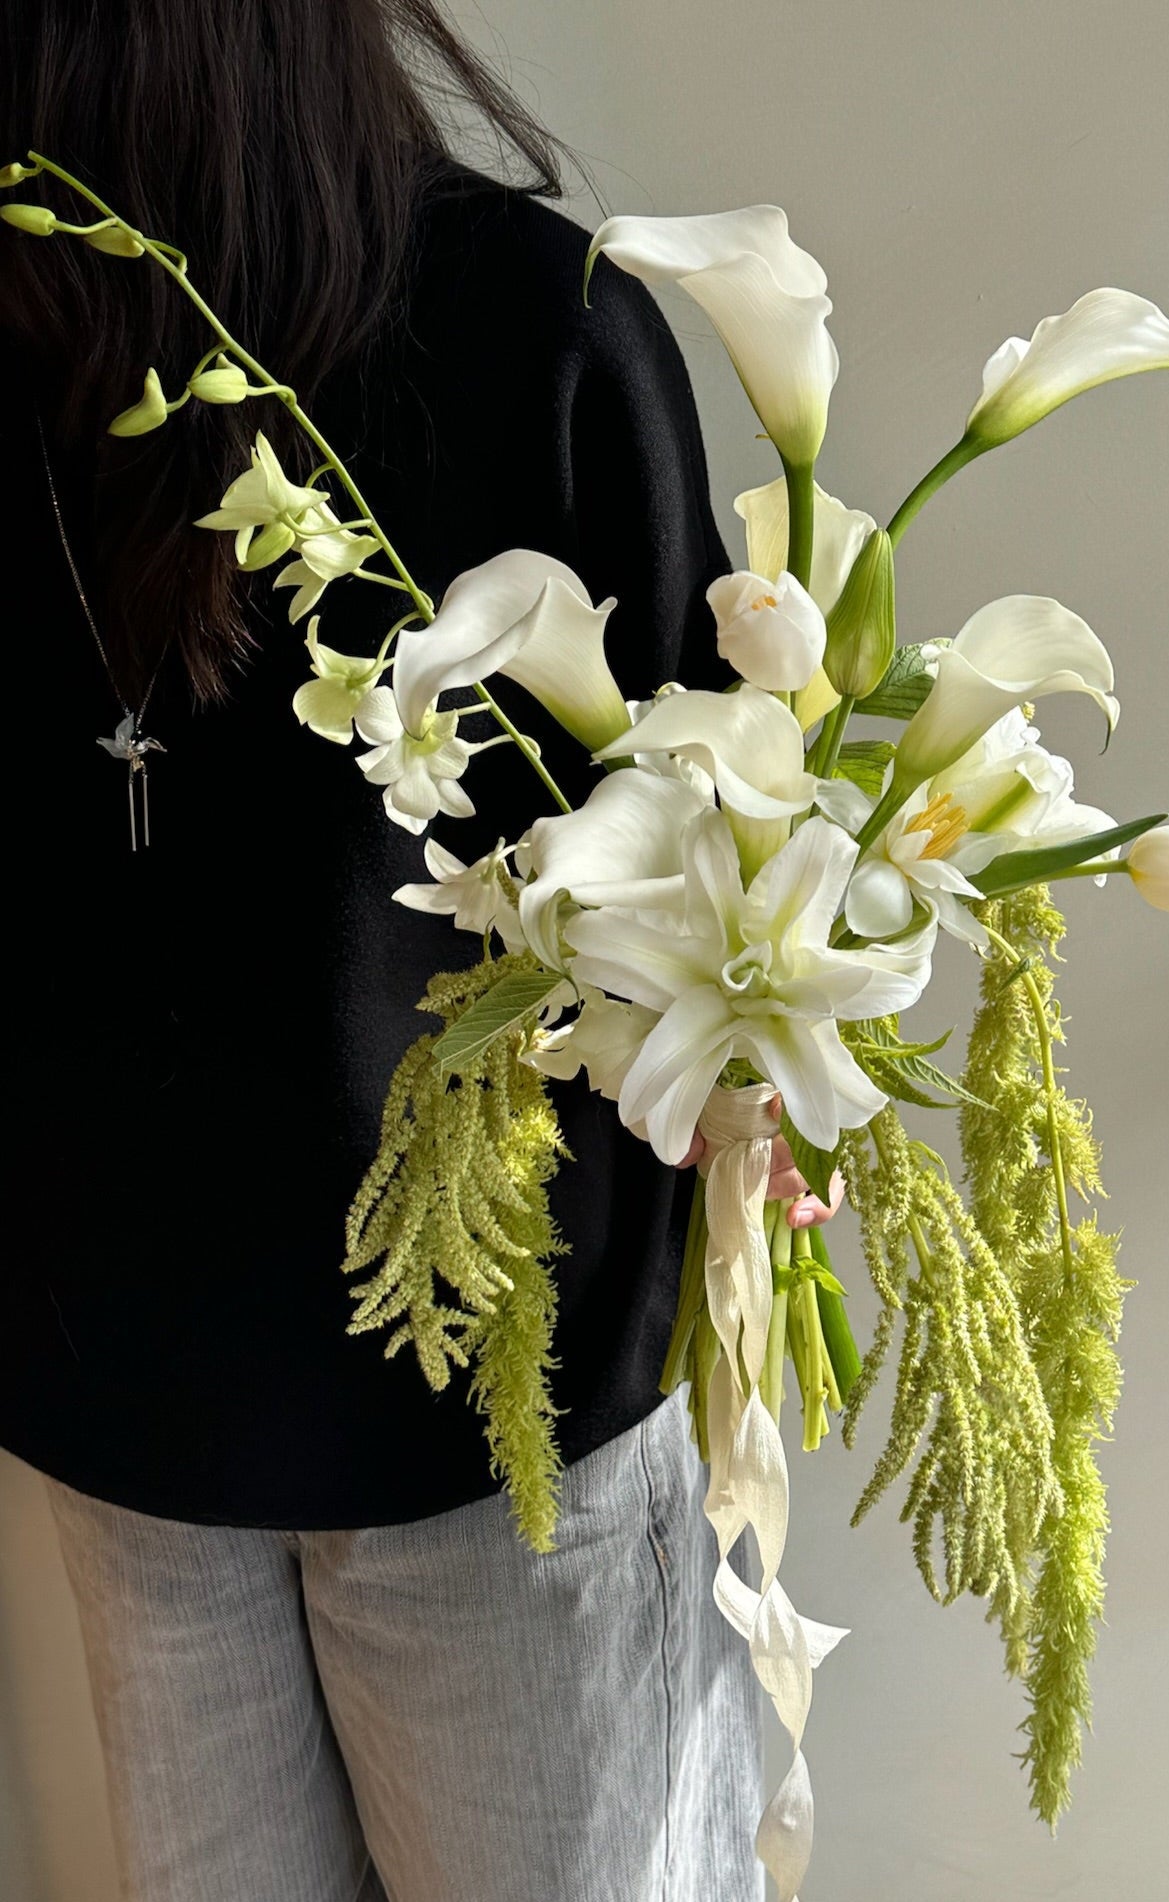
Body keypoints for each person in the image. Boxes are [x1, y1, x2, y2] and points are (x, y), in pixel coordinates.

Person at [0, 5, 841, 1898]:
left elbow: (702, 883)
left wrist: (764, 1064)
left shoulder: (530, 339)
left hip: (481, 1434)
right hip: (143, 1419)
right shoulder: (526, 325)